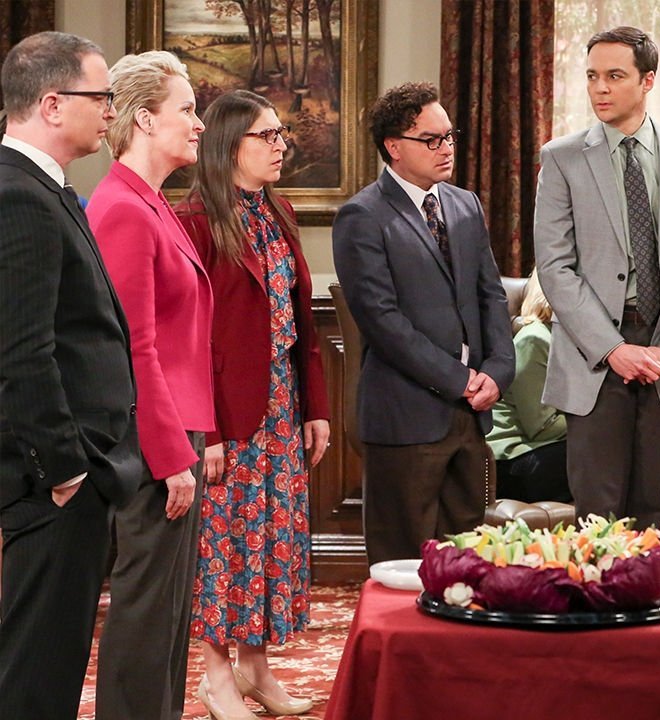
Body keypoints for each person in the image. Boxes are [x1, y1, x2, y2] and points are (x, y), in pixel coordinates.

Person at [0, 31, 144, 720]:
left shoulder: (45, 187)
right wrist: (62, 468)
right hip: (55, 479)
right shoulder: (18, 194)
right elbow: (20, 352)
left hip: (76, 470)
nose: (111, 110)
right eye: (101, 96)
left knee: (51, 662)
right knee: (37, 670)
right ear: (52, 104)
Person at [176, 89, 330, 720]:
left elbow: (302, 323)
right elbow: (191, 338)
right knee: (227, 544)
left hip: (282, 405)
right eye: (265, 135)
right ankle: (216, 678)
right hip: (227, 411)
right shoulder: (195, 220)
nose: (279, 145)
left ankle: (256, 670)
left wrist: (316, 407)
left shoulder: (279, 211)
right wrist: (206, 429)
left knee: (271, 540)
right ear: (227, 144)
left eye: (280, 134)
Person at [534, 26, 660, 532]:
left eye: (615, 76)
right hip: (593, 355)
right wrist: (612, 348)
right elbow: (555, 266)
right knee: (598, 518)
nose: (600, 88)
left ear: (648, 80)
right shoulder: (561, 157)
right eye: (592, 76)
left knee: (654, 512)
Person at [333, 82, 515, 565]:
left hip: (471, 415)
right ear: (394, 147)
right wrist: (458, 379)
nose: (446, 148)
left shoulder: (465, 204)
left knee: (467, 566)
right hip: (405, 417)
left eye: (449, 136)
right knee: (403, 566)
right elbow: (382, 321)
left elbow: (491, 295)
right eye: (431, 140)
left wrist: (498, 370)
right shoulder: (362, 215)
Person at [87, 50, 215, 719]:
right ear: (142, 119)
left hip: (174, 433)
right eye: (187, 110)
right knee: (145, 616)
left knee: (166, 616)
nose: (199, 123)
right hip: (150, 444)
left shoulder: (152, 203)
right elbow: (132, 347)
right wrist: (170, 457)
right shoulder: (124, 209)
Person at [486, 270, 572, 504]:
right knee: (603, 456)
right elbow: (542, 427)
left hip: (543, 449)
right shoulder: (535, 339)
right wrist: (596, 422)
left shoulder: (567, 342)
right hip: (512, 458)